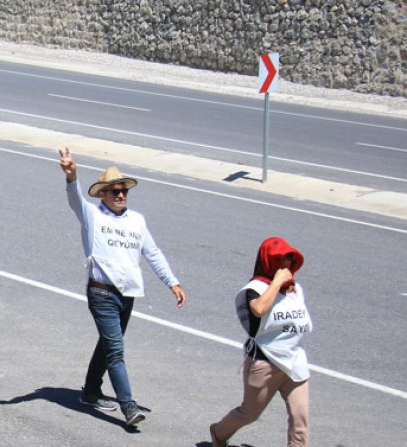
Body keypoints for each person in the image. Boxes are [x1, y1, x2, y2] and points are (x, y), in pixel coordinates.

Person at [57, 148, 187, 427]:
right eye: (114, 191)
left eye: (124, 191)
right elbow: (74, 199)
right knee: (116, 350)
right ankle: (129, 407)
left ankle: (90, 391)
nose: (120, 195)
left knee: (108, 345)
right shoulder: (92, 215)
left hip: (127, 294)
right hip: (102, 291)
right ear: (102, 194)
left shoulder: (136, 220)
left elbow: (152, 253)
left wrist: (172, 282)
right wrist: (71, 177)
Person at [210, 237, 312, 447]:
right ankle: (219, 432)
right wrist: (276, 283)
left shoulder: (294, 289)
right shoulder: (253, 289)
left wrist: (286, 285)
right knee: (250, 413)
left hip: (294, 360)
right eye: (283, 260)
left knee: (300, 419)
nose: (287, 266)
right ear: (270, 262)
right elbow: (258, 309)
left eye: (290, 261)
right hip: (266, 362)